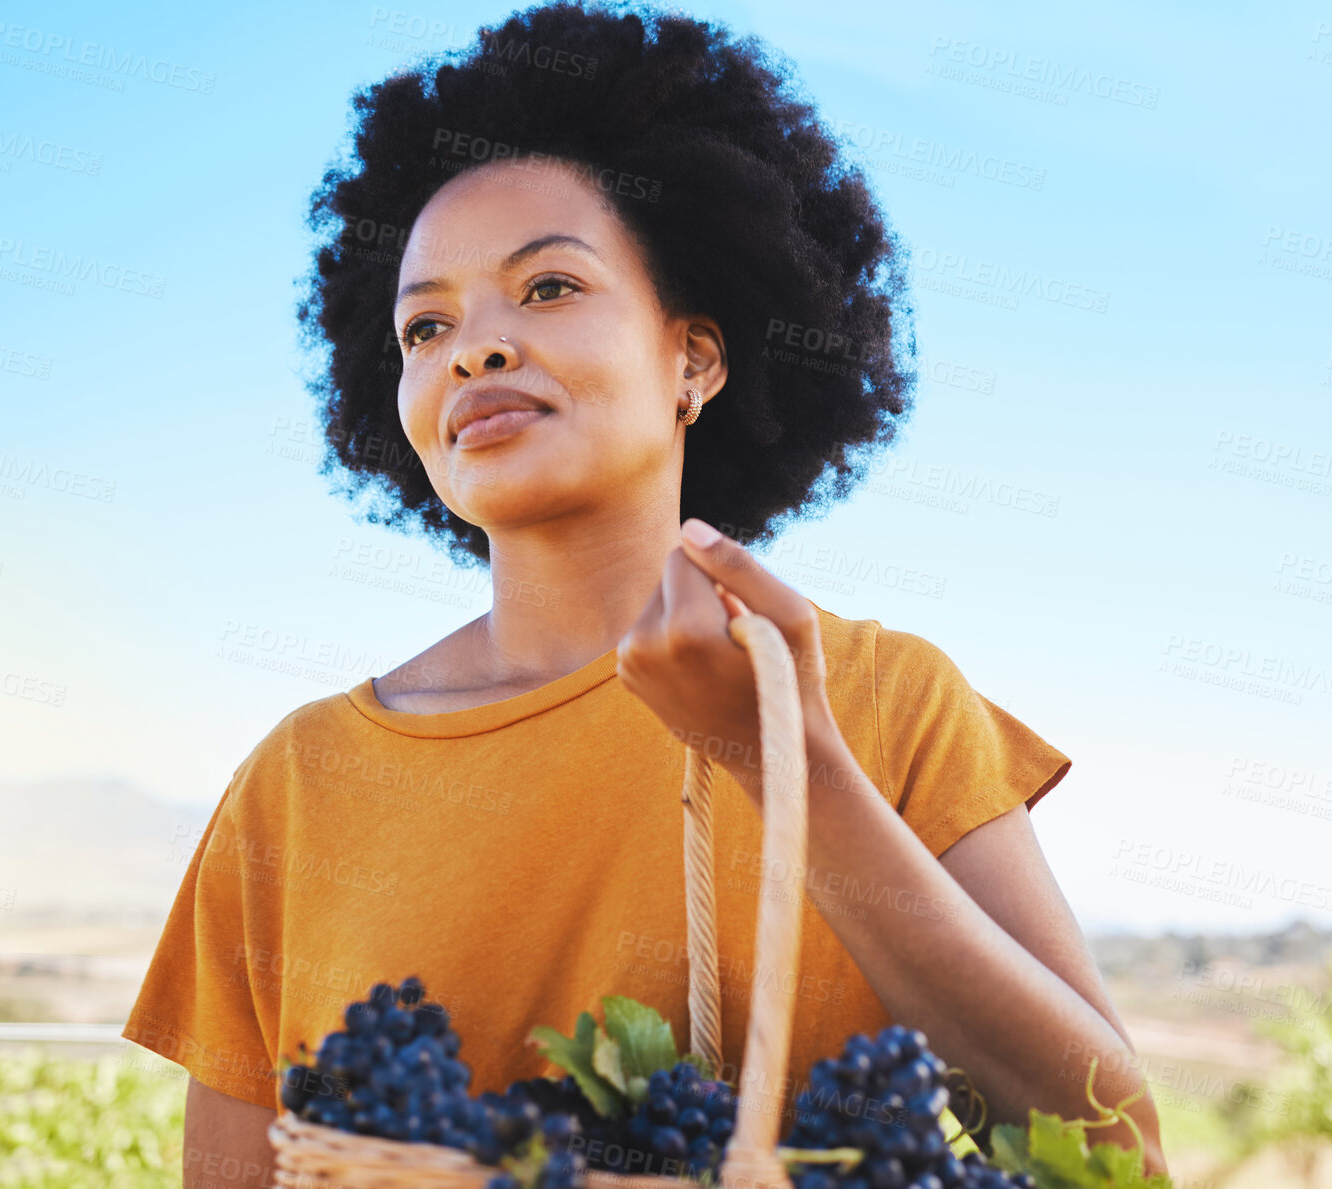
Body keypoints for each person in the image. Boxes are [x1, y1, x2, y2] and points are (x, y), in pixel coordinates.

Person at [121, 3, 1166, 1184]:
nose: (475, 349)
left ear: (695, 359)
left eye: (550, 287)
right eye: (425, 325)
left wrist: (791, 765)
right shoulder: (297, 785)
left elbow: (1109, 1146)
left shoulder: (883, 700)